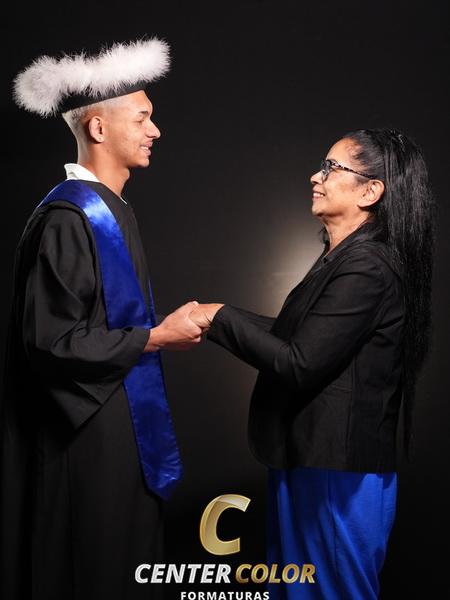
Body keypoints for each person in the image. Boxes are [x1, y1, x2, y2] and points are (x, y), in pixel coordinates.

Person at [190, 128, 435, 599]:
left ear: (370, 191)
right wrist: (210, 316)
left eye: (331, 168)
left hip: (337, 475)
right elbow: (300, 335)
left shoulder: (369, 266)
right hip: (310, 461)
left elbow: (300, 361)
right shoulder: (342, 258)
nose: (315, 177)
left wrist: (217, 316)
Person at [0, 38, 204, 600]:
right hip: (87, 447)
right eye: (142, 117)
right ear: (97, 127)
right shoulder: (70, 216)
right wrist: (154, 337)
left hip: (122, 433)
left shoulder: (112, 209)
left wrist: (154, 334)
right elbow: (52, 344)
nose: (155, 130)